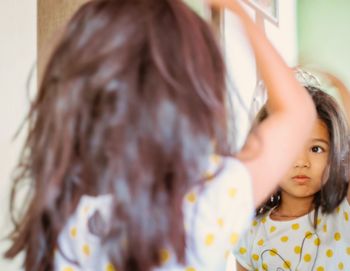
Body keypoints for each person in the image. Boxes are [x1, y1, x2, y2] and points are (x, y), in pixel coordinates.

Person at [4, 0, 316, 270]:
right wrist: (236, 10)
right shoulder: (203, 204)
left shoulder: (61, 213)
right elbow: (297, 112)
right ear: (194, 99)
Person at [234, 85, 350, 271]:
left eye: (316, 149)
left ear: (334, 154)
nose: (301, 162)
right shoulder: (251, 233)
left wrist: (334, 81)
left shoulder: (343, 213)